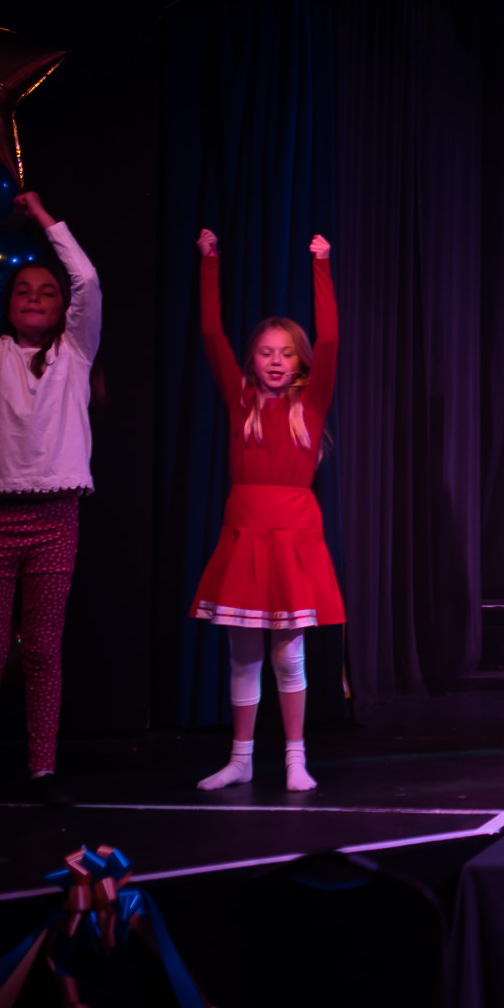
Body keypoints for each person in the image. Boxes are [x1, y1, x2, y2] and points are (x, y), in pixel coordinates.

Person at [0, 187, 100, 812]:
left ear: (63, 310)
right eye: (23, 291)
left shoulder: (75, 352)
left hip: (55, 516)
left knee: (41, 650)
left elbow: (87, 279)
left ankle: (42, 770)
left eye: (47, 292)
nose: (34, 298)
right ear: (8, 306)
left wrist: (39, 216)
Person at [193, 228, 341, 793]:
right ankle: (241, 758)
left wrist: (322, 265)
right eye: (265, 352)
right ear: (251, 360)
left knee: (288, 654)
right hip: (246, 531)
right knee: (243, 653)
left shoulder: (311, 402)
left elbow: (330, 339)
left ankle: (295, 757)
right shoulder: (241, 400)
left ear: (299, 360)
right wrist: (210, 263)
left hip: (293, 534)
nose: (276, 361)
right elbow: (212, 334)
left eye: (286, 353)